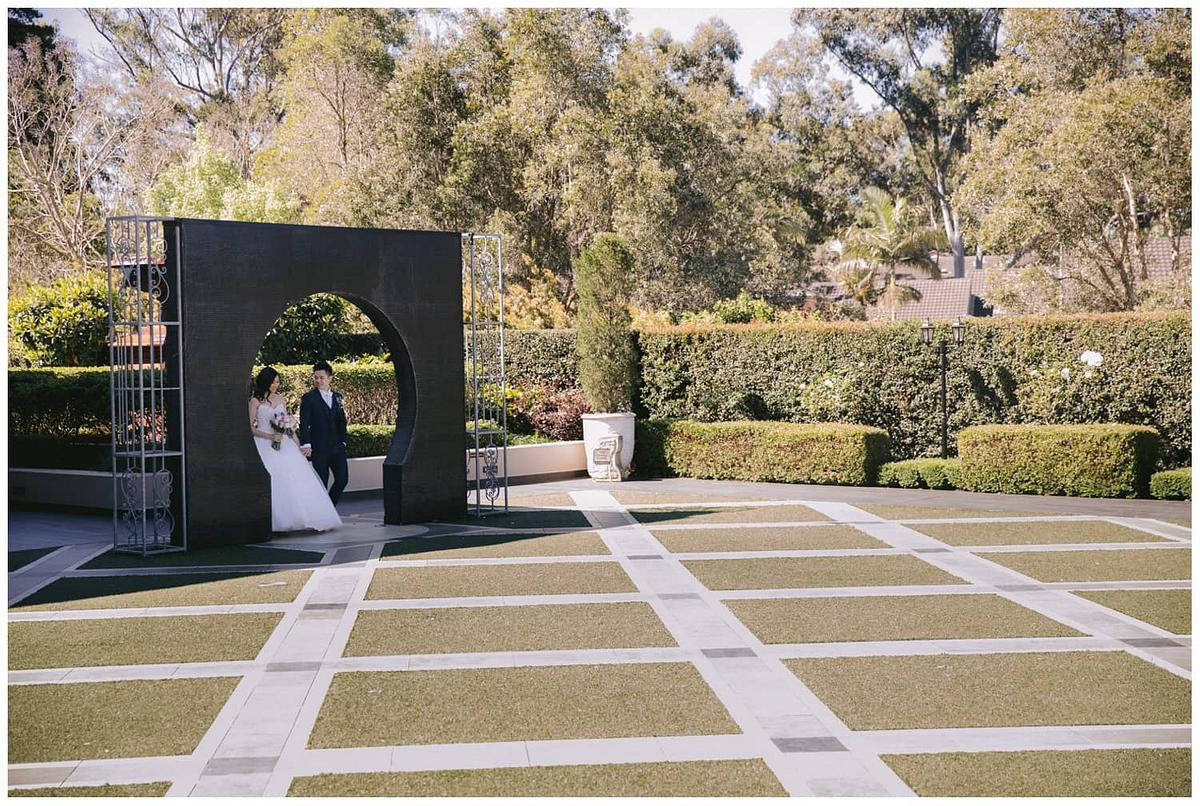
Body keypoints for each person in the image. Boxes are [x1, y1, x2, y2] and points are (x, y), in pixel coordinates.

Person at [249, 367, 342, 532]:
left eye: (277, 382)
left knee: (297, 479)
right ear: (265, 382)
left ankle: (307, 518)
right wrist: (270, 436)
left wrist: (299, 445)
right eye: (273, 382)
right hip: (265, 443)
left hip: (285, 444)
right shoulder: (255, 401)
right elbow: (250, 428)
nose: (275, 385)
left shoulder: (280, 398)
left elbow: (287, 427)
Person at [299, 360, 349, 505]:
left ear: (329, 378)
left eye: (321, 377)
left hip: (337, 447)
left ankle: (329, 508)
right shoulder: (309, 398)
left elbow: (342, 421)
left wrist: (343, 441)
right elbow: (304, 423)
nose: (318, 380)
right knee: (321, 484)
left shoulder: (338, 397)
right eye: (316, 377)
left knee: (342, 480)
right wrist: (306, 444)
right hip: (319, 449)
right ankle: (324, 515)